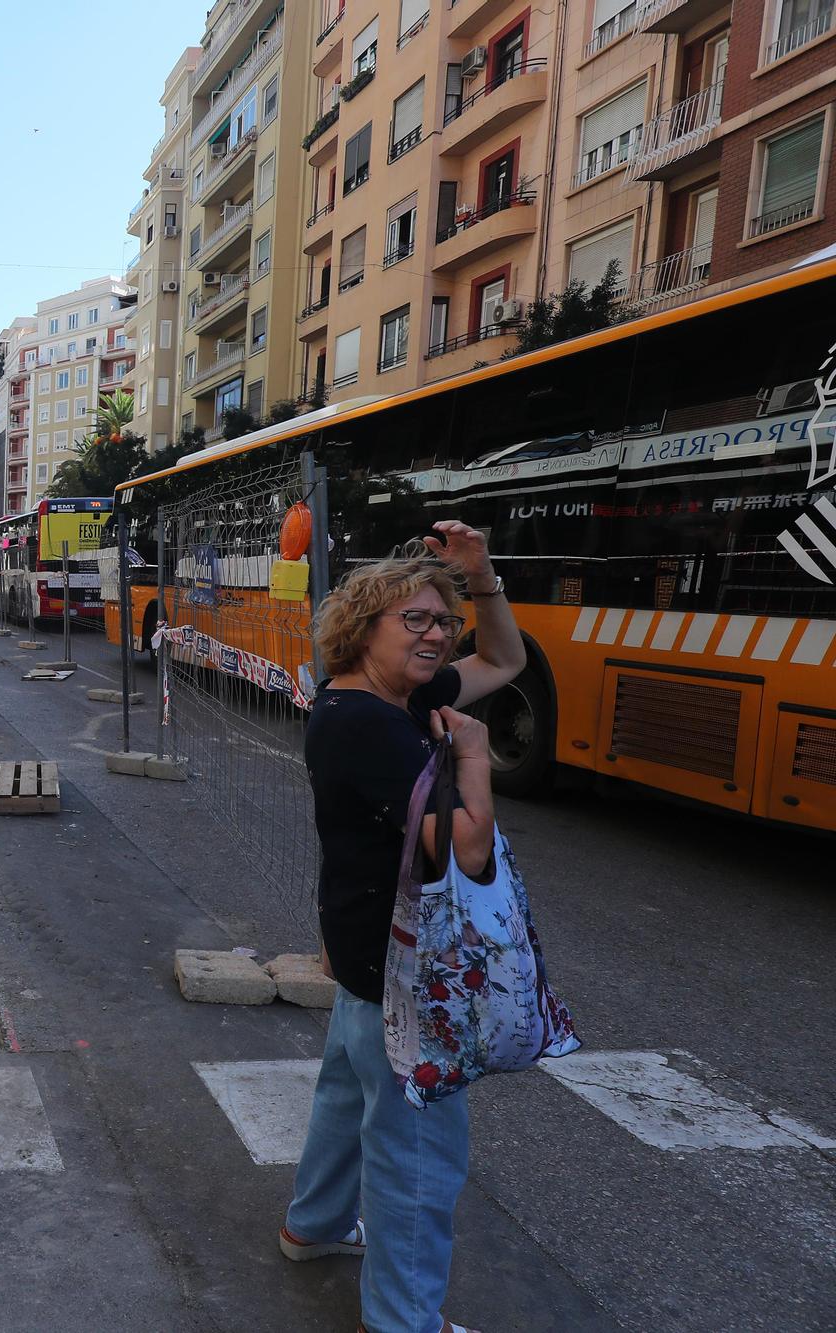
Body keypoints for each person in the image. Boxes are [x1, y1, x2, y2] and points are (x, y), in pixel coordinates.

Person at [279, 521, 524, 1333]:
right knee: (417, 1156)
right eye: (413, 620)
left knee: (346, 1094)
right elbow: (467, 846)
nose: (436, 634)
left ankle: (312, 1224)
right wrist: (476, 757)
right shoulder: (366, 723)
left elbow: (504, 661)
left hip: (365, 953)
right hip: (404, 970)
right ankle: (402, 1321)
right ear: (362, 627)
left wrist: (480, 578)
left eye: (441, 621)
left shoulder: (390, 700)